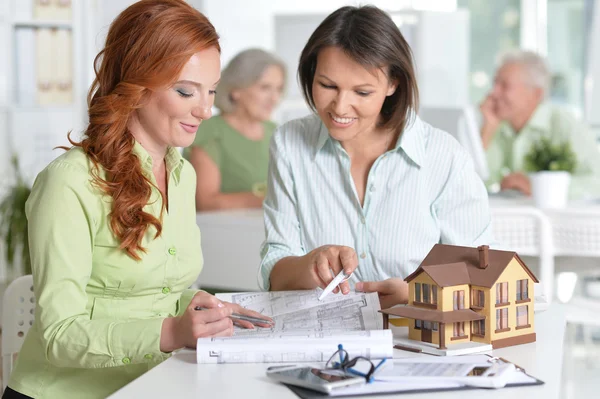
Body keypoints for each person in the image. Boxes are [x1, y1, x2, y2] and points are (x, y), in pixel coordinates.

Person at [4, 2, 270, 398]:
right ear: (137, 83)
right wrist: (171, 331)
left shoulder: (182, 174)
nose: (205, 109)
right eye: (186, 91)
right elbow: (59, 334)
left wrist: (194, 305)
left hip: (149, 386)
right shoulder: (69, 183)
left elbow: (153, 292)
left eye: (211, 91)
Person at [259, 5, 492, 309]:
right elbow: (275, 270)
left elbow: (481, 272)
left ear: (393, 83)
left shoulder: (444, 157)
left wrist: (415, 295)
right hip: (325, 343)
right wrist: (311, 264)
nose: (340, 107)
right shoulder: (289, 144)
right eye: (327, 85)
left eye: (363, 92)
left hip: (417, 338)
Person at [480, 50, 600, 198]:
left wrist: (538, 186)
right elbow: (475, 183)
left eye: (505, 85)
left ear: (536, 93)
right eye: (495, 83)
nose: (493, 92)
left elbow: (597, 182)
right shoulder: (498, 124)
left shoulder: (565, 125)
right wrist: (487, 130)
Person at [184, 48, 286, 211]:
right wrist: (267, 199)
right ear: (236, 89)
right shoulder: (210, 130)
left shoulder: (275, 132)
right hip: (226, 232)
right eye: (265, 88)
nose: (274, 98)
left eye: (278, 89)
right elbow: (206, 202)